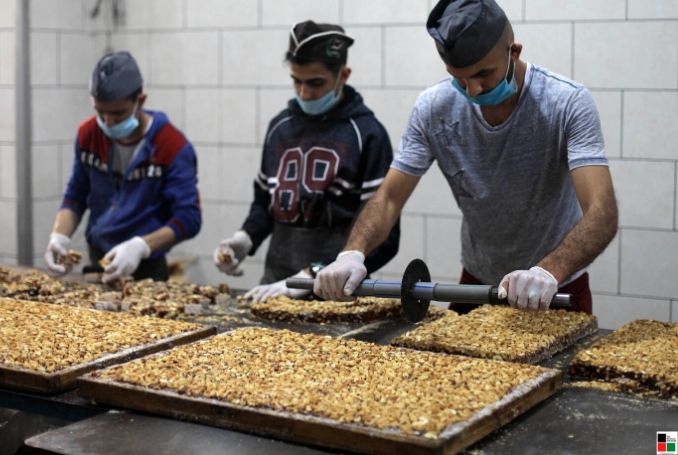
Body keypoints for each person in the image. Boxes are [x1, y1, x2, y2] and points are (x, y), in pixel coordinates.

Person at [313, 0, 618, 314]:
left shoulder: (566, 103)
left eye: (484, 74)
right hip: (478, 284)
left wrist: (549, 270)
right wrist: (352, 253)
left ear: (514, 52)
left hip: (554, 286)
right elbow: (389, 198)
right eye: (459, 78)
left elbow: (602, 213)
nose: (473, 90)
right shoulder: (434, 109)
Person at [213, 20, 399, 302]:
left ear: (343, 75)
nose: (304, 93)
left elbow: (384, 236)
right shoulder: (280, 128)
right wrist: (246, 237)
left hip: (336, 293)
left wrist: (313, 273)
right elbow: (264, 204)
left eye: (315, 83)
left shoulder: (367, 135)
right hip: (274, 287)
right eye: (296, 81)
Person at [44, 51, 201, 284]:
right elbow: (76, 196)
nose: (108, 122)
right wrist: (59, 236)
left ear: (141, 101)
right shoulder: (89, 135)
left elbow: (189, 218)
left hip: (147, 267)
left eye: (118, 113)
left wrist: (141, 246)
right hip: (99, 259)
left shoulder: (171, 145)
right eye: (100, 112)